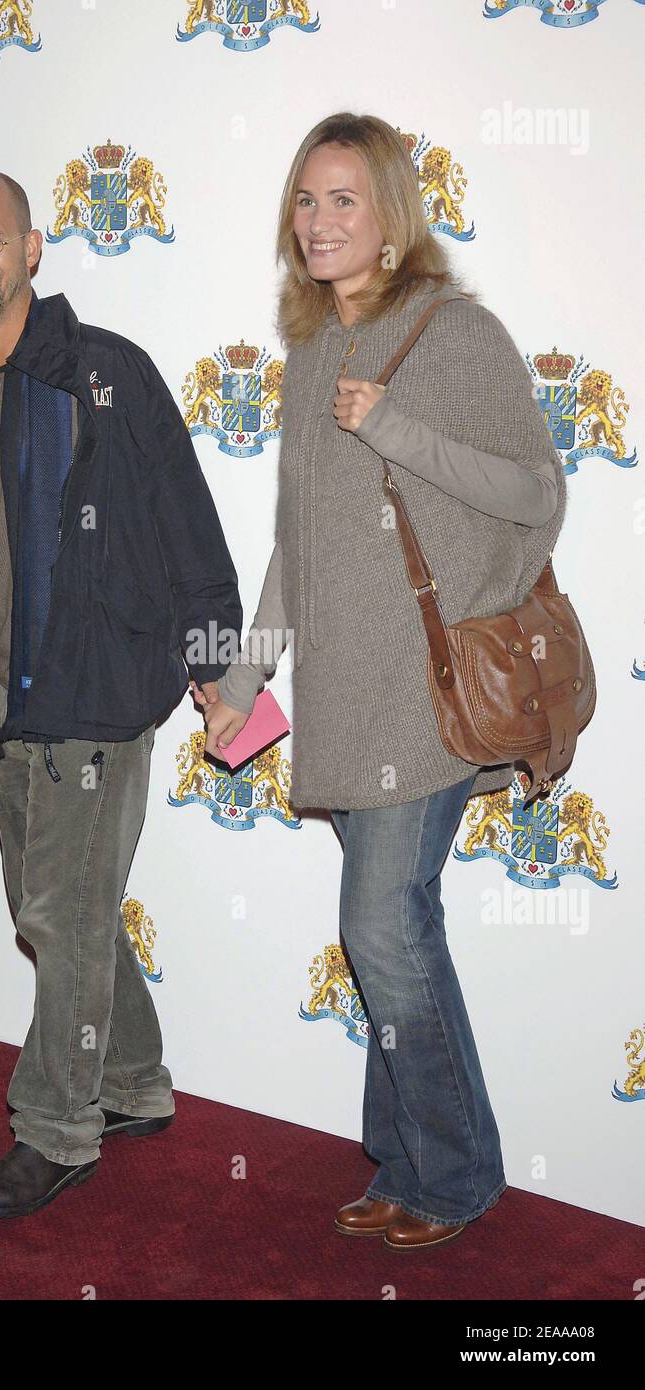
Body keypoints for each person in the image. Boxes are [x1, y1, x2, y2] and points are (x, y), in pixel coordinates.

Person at [194, 113, 566, 1251]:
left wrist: (396, 429)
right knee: (393, 932)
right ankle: (405, 1162)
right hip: (348, 706)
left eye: (344, 199)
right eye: (306, 200)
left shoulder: (452, 333)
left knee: (381, 927)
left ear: (393, 214)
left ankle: (455, 1174)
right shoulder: (309, 354)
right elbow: (291, 552)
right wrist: (235, 679)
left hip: (432, 695)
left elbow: (537, 493)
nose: (318, 221)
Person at [0, 167, 242, 1220]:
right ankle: (134, 1081)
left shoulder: (107, 375)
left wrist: (222, 665)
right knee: (56, 913)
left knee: (63, 913)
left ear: (34, 245)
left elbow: (189, 526)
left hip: (98, 694)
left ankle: (58, 1128)